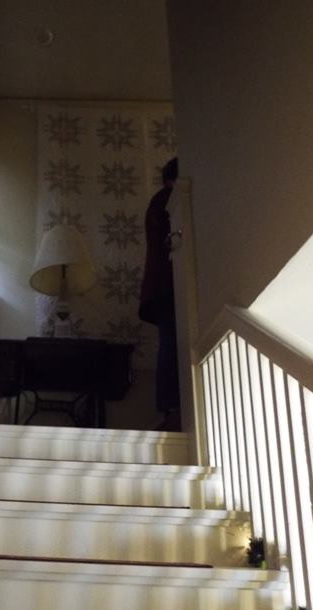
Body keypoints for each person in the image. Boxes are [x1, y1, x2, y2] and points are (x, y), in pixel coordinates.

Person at [139, 156, 181, 431]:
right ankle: (172, 409)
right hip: (168, 287)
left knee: (171, 344)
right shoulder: (168, 200)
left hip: (163, 288)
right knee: (172, 344)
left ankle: (171, 409)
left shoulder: (160, 201)